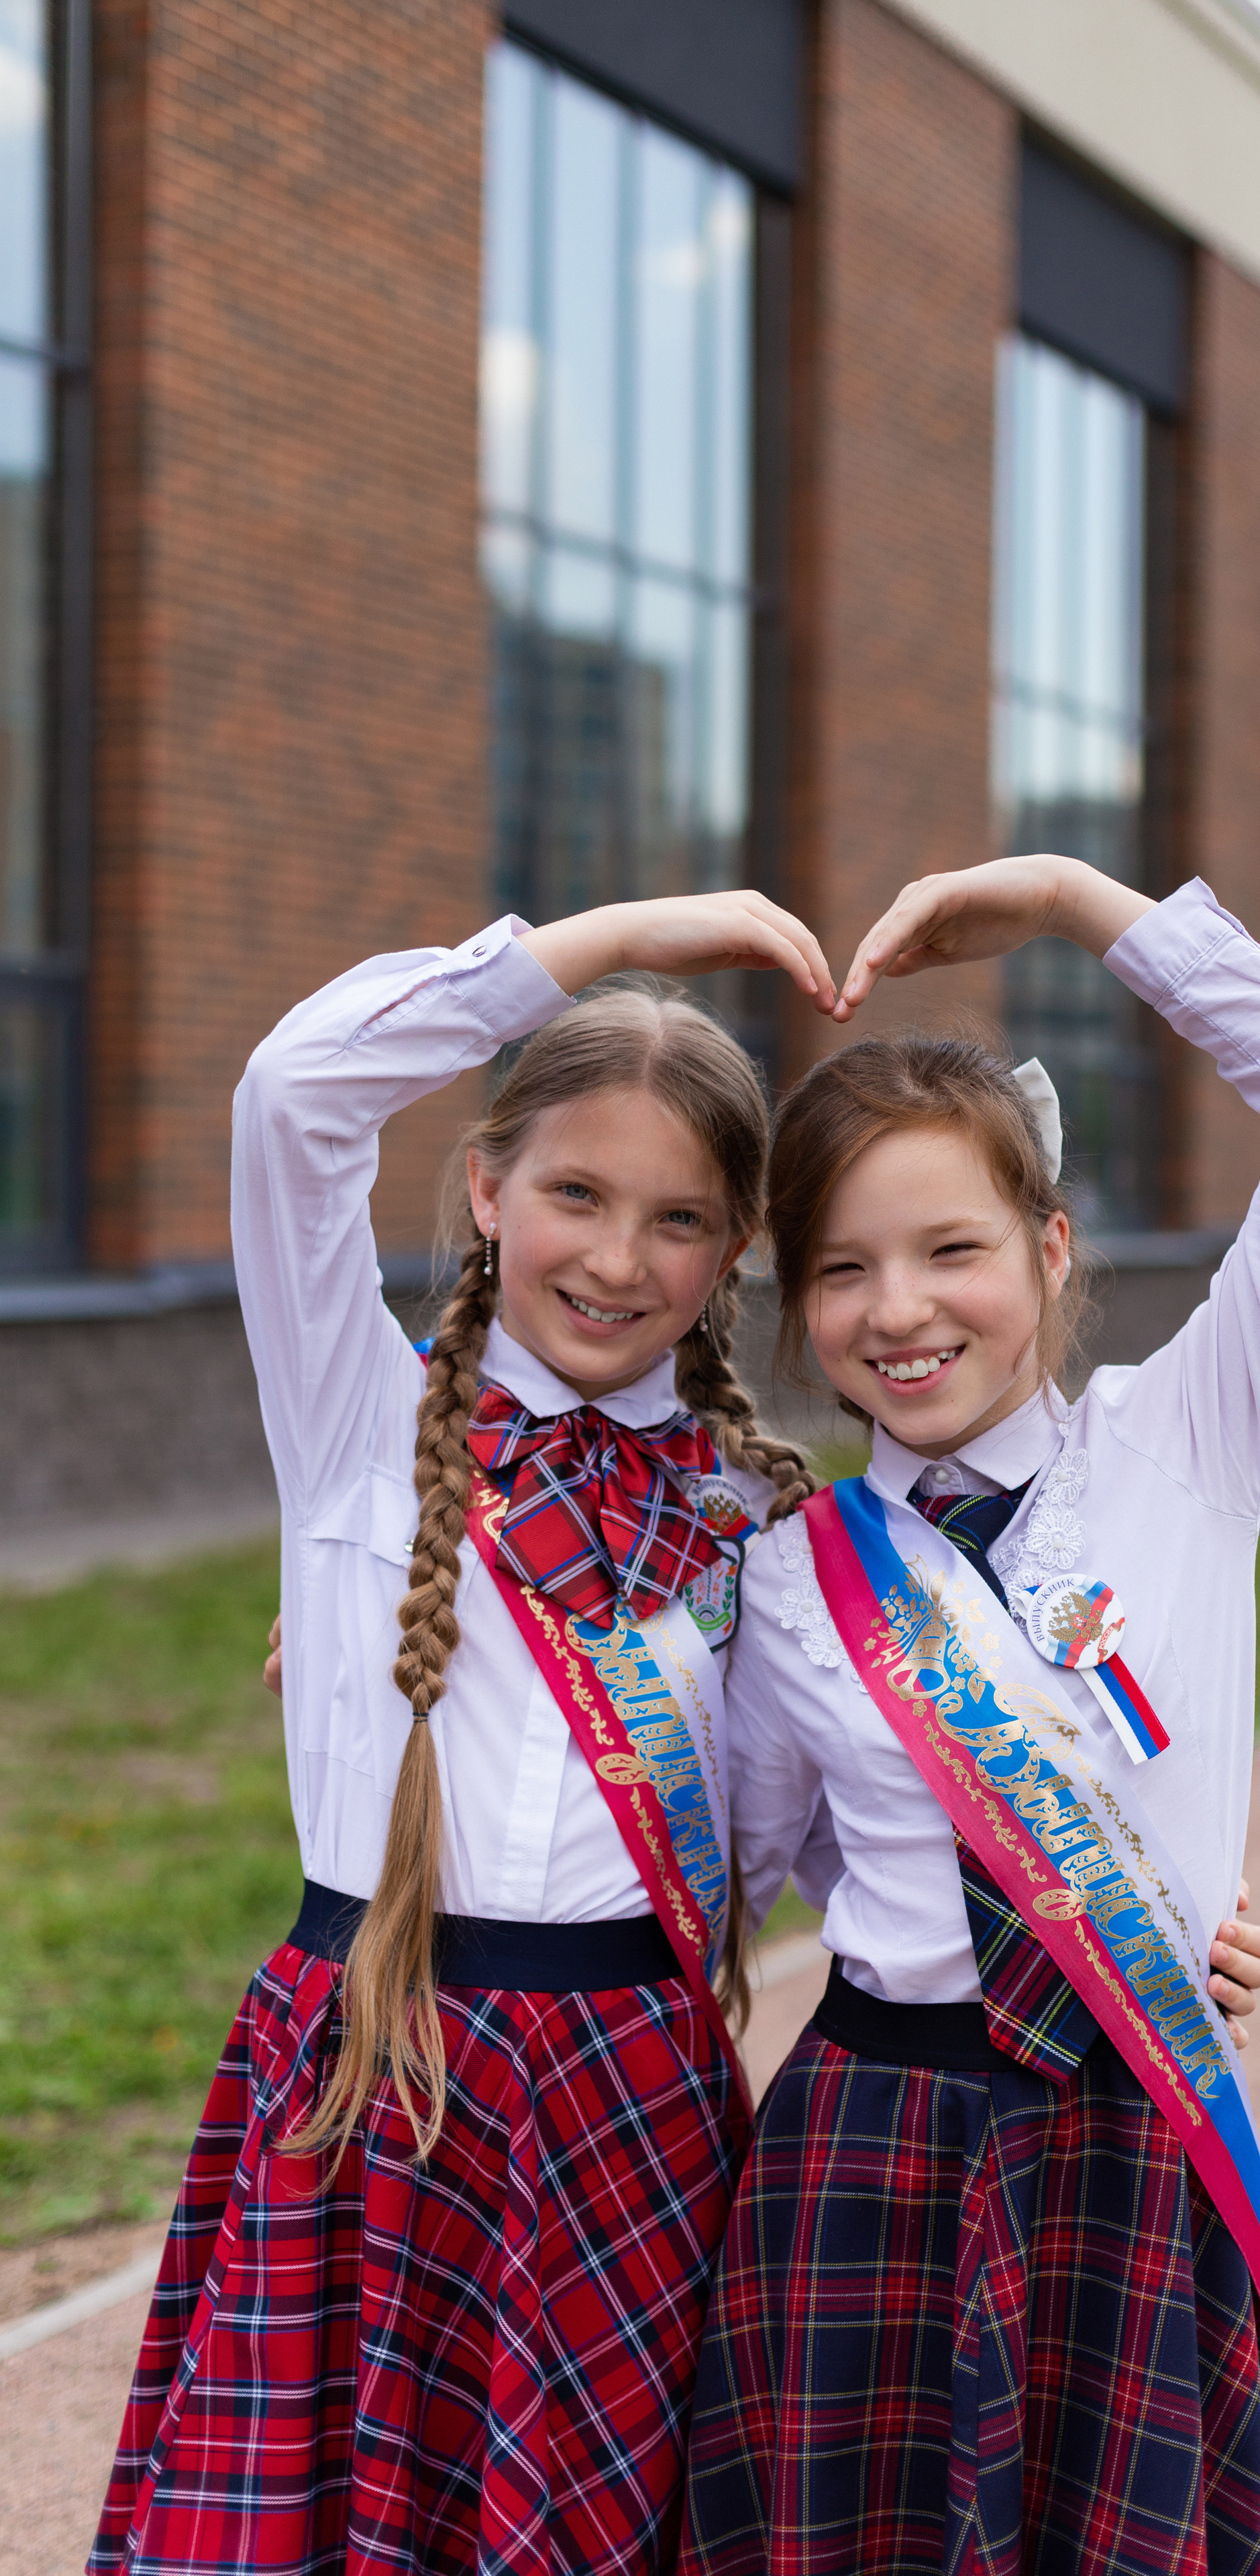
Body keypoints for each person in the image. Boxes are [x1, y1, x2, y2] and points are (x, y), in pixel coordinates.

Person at [682, 853, 1260, 2575]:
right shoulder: (788, 1579)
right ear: (799, 1302)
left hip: (1125, 2132)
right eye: (845, 1269)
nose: (901, 1310)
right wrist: (388, 1636)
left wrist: (1082, 904)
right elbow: (726, 1863)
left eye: (952, 1248)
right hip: (871, 2144)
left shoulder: (1189, 1442)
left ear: (1049, 1245)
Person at [89, 890, 839, 2576]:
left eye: (677, 1219)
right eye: (573, 1192)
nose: (615, 1257)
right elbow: (294, 1097)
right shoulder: (352, 1412)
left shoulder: (755, 1524)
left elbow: (818, 1835)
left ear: (729, 1255)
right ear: (488, 1189)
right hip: (368, 2049)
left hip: (627, 2091)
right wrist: (633, 932)